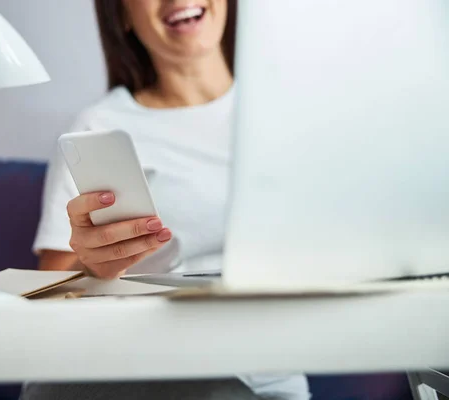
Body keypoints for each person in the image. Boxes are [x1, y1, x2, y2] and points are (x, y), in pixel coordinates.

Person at [24, 0, 311, 399]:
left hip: (269, 381)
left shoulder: (296, 112)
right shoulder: (100, 128)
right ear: (122, 14)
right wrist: (94, 268)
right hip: (139, 367)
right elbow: (46, 300)